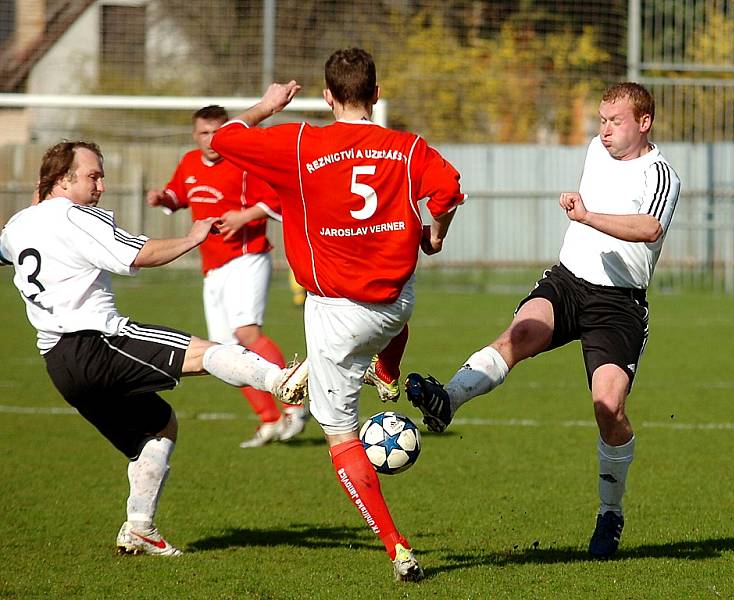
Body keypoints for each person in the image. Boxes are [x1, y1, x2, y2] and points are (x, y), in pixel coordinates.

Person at [210, 48, 464, 582]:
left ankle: (397, 547)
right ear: (375, 94)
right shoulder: (407, 146)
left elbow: (223, 138)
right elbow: (448, 191)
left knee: (342, 437)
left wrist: (267, 106)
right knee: (389, 325)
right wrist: (435, 232)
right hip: (396, 304)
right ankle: (387, 373)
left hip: (334, 313)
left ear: (327, 96)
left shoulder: (301, 141)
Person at [405, 81, 681, 559]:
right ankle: (446, 399)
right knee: (520, 334)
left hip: (619, 304)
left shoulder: (662, 176)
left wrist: (588, 216)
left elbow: (649, 228)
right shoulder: (598, 148)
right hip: (569, 281)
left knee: (608, 407)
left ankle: (610, 513)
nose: (605, 130)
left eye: (616, 121)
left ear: (644, 122)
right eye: (601, 119)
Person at [0, 141, 308, 556]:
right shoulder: (77, 217)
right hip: (97, 342)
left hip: (59, 365)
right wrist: (192, 236)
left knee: (159, 425)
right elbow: (139, 254)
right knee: (203, 352)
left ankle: (139, 526)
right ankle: (280, 381)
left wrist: (34, 210)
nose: (102, 185)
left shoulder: (19, 225)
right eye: (93, 175)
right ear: (63, 180)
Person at [147, 105, 307, 448]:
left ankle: (293, 404)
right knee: (224, 353)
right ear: (195, 135)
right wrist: (162, 197)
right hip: (213, 266)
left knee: (246, 333)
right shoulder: (189, 162)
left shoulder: (244, 161)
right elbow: (178, 195)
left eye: (217, 133)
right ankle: (269, 420)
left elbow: (279, 198)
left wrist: (243, 216)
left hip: (248, 256)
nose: (210, 140)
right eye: (204, 133)